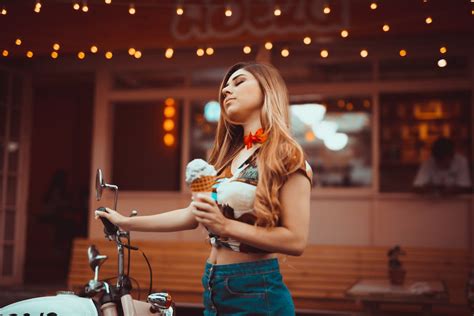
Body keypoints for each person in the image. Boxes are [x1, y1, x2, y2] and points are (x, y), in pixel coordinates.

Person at [95, 61, 313, 315]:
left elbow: (296, 240)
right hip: (213, 284)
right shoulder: (225, 160)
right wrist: (125, 223)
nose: (226, 91)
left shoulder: (287, 156)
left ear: (267, 90)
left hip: (257, 289)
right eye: (224, 88)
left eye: (239, 82)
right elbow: (191, 216)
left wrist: (226, 226)